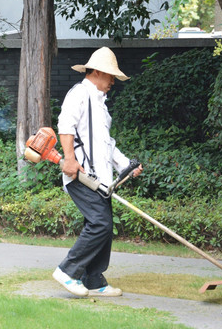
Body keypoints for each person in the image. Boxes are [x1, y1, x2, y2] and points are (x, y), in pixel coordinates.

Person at [52, 47, 143, 297]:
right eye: (111, 76)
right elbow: (65, 126)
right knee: (100, 224)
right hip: (80, 174)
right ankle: (67, 271)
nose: (113, 81)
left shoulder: (101, 105)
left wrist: (126, 167)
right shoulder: (79, 93)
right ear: (99, 72)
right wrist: (69, 159)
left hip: (101, 180)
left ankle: (93, 280)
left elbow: (107, 145)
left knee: (103, 224)